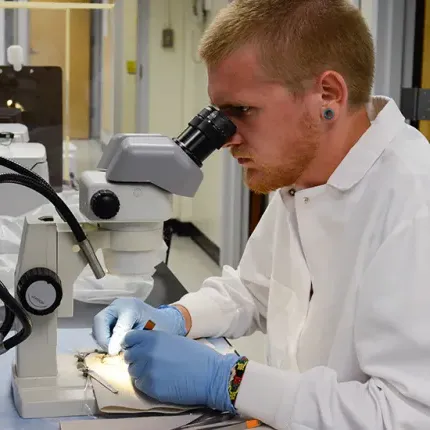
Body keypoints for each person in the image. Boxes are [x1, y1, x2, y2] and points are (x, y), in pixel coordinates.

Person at [92, 0, 430, 428]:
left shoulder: (415, 207)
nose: (227, 137)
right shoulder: (302, 175)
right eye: (219, 112)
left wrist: (229, 381)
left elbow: (407, 415)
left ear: (327, 95)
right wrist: (177, 317)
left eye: (241, 110)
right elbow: (253, 291)